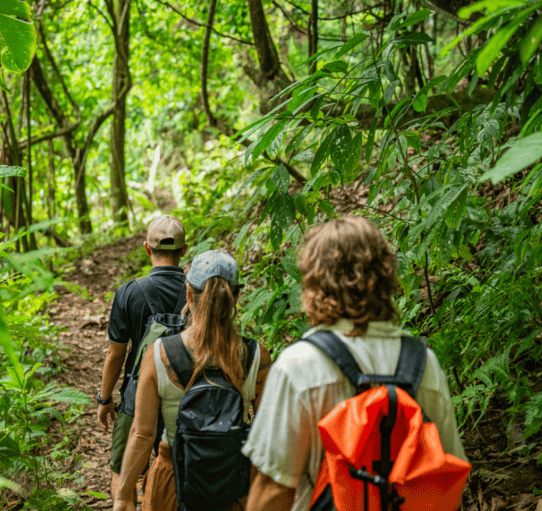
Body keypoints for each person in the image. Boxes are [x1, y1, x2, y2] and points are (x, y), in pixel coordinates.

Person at [242, 215, 468, 511]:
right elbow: (451, 473)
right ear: (386, 276)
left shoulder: (297, 367)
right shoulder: (424, 362)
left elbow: (273, 490)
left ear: (314, 282)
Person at [114, 250, 272, 511]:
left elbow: (142, 434)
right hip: (233, 482)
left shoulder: (159, 355)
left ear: (188, 293)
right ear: (237, 296)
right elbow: (265, 433)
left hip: (173, 480)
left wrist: (122, 495)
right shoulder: (256, 357)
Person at [98, 215, 189, 502]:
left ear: (147, 250)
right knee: (176, 473)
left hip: (136, 396)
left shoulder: (129, 292)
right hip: (183, 396)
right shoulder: (197, 291)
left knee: (122, 475)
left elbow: (116, 354)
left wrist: (104, 398)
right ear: (183, 251)